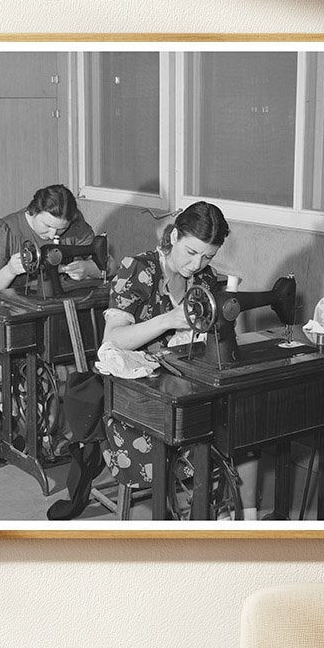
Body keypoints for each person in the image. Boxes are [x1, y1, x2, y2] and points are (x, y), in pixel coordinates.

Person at [100, 201, 258, 518]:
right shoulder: (138, 270)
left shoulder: (206, 279)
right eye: (190, 252)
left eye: (208, 256)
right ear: (173, 236)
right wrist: (167, 320)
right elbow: (113, 339)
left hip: (185, 387)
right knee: (196, 436)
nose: (196, 264)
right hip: (138, 401)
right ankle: (202, 514)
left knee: (246, 427)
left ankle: (245, 521)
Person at [0, 184, 98, 296]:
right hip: (18, 308)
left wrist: (88, 268)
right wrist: (10, 270)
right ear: (32, 211)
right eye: (47, 226)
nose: (53, 235)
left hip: (63, 302)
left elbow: (110, 266)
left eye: (62, 229)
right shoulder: (4, 230)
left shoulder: (76, 226)